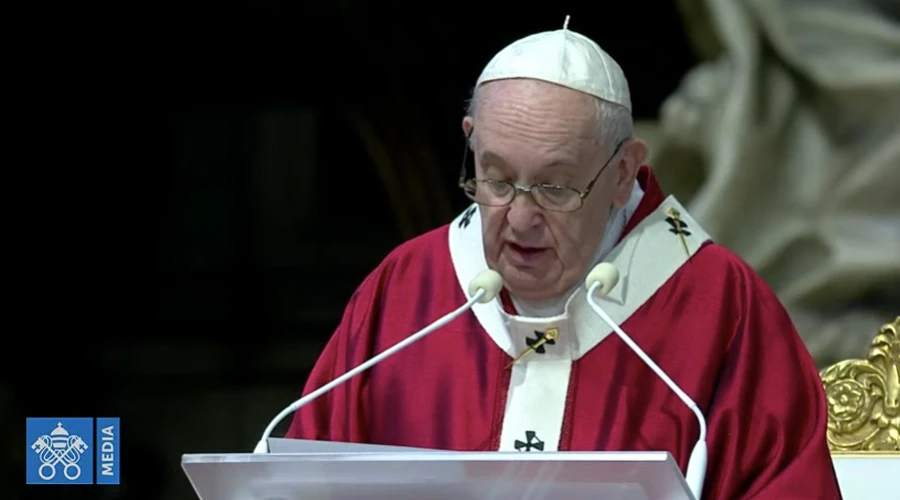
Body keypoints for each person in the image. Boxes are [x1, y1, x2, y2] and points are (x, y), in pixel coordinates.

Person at [285, 21, 843, 499]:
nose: (520, 219)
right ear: (470, 140)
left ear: (624, 172)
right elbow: (300, 478)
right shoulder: (409, 288)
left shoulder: (718, 302)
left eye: (556, 188)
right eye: (496, 179)